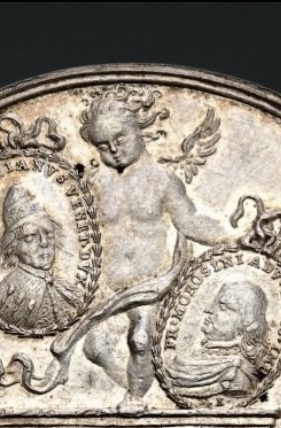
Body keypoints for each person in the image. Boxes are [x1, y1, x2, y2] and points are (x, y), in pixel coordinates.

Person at [79, 87, 233, 409]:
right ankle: (143, 387)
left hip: (151, 283)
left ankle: (135, 399)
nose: (114, 150)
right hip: (106, 286)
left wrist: (234, 239)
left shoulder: (163, 180)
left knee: (140, 339)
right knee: (94, 348)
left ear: (139, 130)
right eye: (103, 146)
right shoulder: (94, 183)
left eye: (120, 139)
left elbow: (190, 222)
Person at [0, 185, 79, 332]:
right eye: (30, 237)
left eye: (49, 234)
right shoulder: (5, 296)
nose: (44, 243)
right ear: (13, 247)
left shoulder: (66, 288)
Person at [166, 281, 268, 398]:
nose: (209, 309)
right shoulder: (190, 358)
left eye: (223, 307)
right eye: (214, 303)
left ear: (246, 322)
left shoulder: (236, 377)